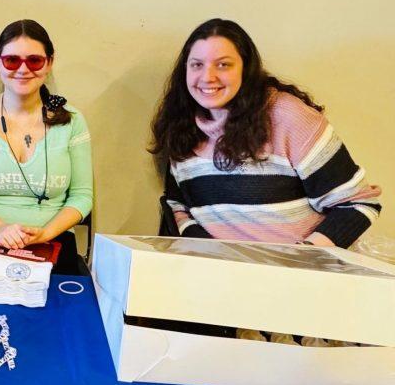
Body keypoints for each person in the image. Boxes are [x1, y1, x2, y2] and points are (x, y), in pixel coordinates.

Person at [150, 18, 381, 247]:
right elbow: (177, 206)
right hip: (223, 274)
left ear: (246, 68)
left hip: (301, 274)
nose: (208, 76)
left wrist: (300, 260)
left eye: (223, 64)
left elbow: (356, 205)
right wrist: (216, 255)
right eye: (197, 64)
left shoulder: (287, 116)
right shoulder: (179, 126)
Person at [0, 19, 93, 274]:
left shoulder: (73, 121)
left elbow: (82, 197)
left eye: (34, 61)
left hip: (53, 243)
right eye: (12, 60)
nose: (23, 69)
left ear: (49, 63)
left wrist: (45, 233)